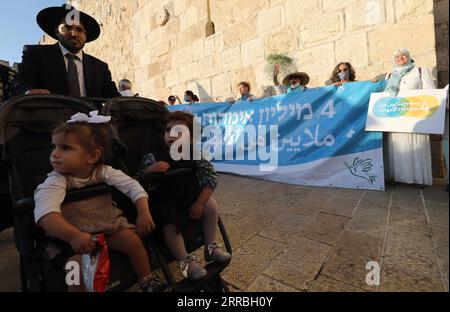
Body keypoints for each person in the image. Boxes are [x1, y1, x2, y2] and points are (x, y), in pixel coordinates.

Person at [34, 111, 166, 292]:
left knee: (133, 242)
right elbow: (45, 214)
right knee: (74, 268)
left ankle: (147, 279)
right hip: (75, 235)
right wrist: (73, 236)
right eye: (54, 147)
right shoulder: (56, 181)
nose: (54, 154)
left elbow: (132, 186)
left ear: (92, 157)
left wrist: (143, 211)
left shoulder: (103, 172)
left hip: (109, 227)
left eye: (65, 148)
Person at [140, 111, 231, 281]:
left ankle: (210, 247)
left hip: (190, 198)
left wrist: (200, 203)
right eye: (168, 131)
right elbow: (139, 184)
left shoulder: (196, 155)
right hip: (166, 202)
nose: (171, 135)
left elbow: (210, 178)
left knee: (211, 204)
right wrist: (150, 171)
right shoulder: (153, 157)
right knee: (169, 221)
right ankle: (185, 261)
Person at [13, 4, 119, 98]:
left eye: (79, 29)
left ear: (85, 35)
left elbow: (114, 98)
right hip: (50, 118)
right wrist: (28, 92)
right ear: (57, 32)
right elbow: (21, 84)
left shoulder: (100, 67)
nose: (74, 33)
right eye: (67, 28)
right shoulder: (35, 54)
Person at [382, 48, 436, 186]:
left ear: (409, 57)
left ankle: (417, 179)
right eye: (397, 56)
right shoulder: (389, 75)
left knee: (415, 145)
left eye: (404, 55)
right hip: (395, 117)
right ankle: (395, 177)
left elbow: (430, 93)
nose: (400, 58)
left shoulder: (420, 71)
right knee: (397, 145)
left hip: (415, 116)